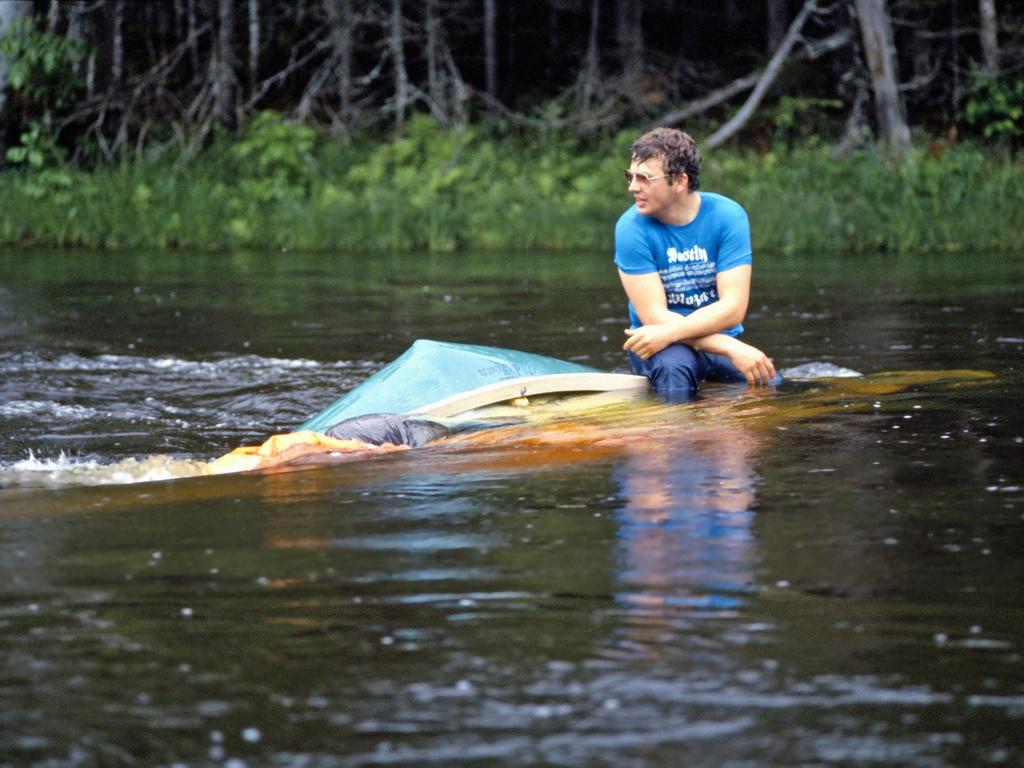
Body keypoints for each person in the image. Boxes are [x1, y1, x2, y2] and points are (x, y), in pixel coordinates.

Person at [614, 127, 777, 399]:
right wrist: (730, 347)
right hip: (657, 345)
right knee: (674, 367)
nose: (633, 186)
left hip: (716, 340)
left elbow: (733, 309)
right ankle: (676, 437)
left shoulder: (728, 216)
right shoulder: (630, 228)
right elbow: (654, 318)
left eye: (644, 178)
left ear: (679, 181)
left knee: (770, 383)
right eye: (630, 176)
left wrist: (728, 346)